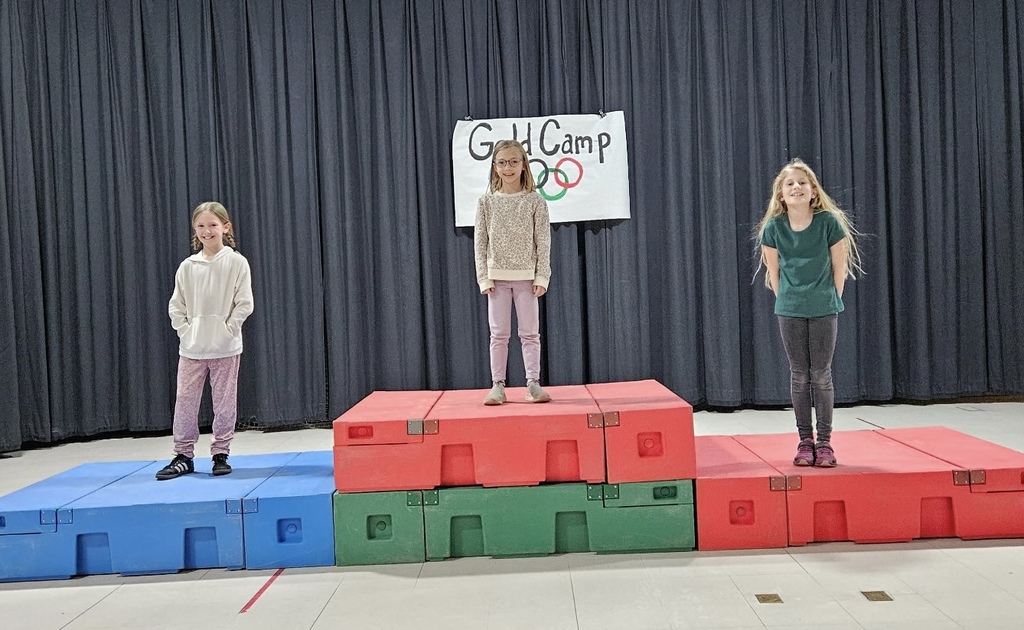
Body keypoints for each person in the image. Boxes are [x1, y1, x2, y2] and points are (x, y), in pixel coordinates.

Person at [756, 159, 862, 467]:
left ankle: (824, 443)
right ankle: (805, 441)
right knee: (799, 375)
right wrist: (788, 301)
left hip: (823, 307)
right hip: (790, 309)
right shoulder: (774, 228)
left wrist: (828, 299)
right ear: (781, 195)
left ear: (813, 191)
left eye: (802, 182)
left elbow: (839, 268)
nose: (796, 187)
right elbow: (774, 272)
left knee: (821, 375)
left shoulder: (829, 222)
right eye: (789, 184)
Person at [156, 201, 254, 480]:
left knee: (224, 403)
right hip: (192, 349)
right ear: (194, 229)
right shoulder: (187, 267)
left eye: (212, 225)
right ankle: (183, 455)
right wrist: (186, 332)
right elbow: (176, 305)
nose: (206, 231)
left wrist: (228, 330)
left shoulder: (236, 262)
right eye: (201, 226)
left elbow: (244, 303)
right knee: (185, 401)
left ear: (225, 227)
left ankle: (220, 452)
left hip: (225, 347)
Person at [474, 139, 553, 406]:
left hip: (527, 278)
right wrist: (484, 276)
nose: (508, 168)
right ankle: (498, 385)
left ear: (523, 165)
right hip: (497, 278)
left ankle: (533, 383)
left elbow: (543, 241)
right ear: (494, 167)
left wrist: (542, 275)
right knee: (499, 335)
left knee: (530, 333)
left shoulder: (535, 201)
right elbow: (480, 243)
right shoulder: (486, 202)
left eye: (513, 162)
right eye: (502, 162)